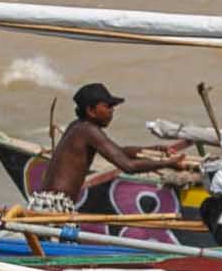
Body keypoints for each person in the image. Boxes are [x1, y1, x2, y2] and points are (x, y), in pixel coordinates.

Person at [33, 82, 191, 211]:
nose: (112, 110)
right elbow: (128, 166)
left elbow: (118, 152)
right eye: (107, 106)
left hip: (45, 201)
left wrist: (155, 149)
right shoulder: (89, 130)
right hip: (55, 206)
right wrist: (168, 163)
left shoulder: (78, 126)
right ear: (91, 110)